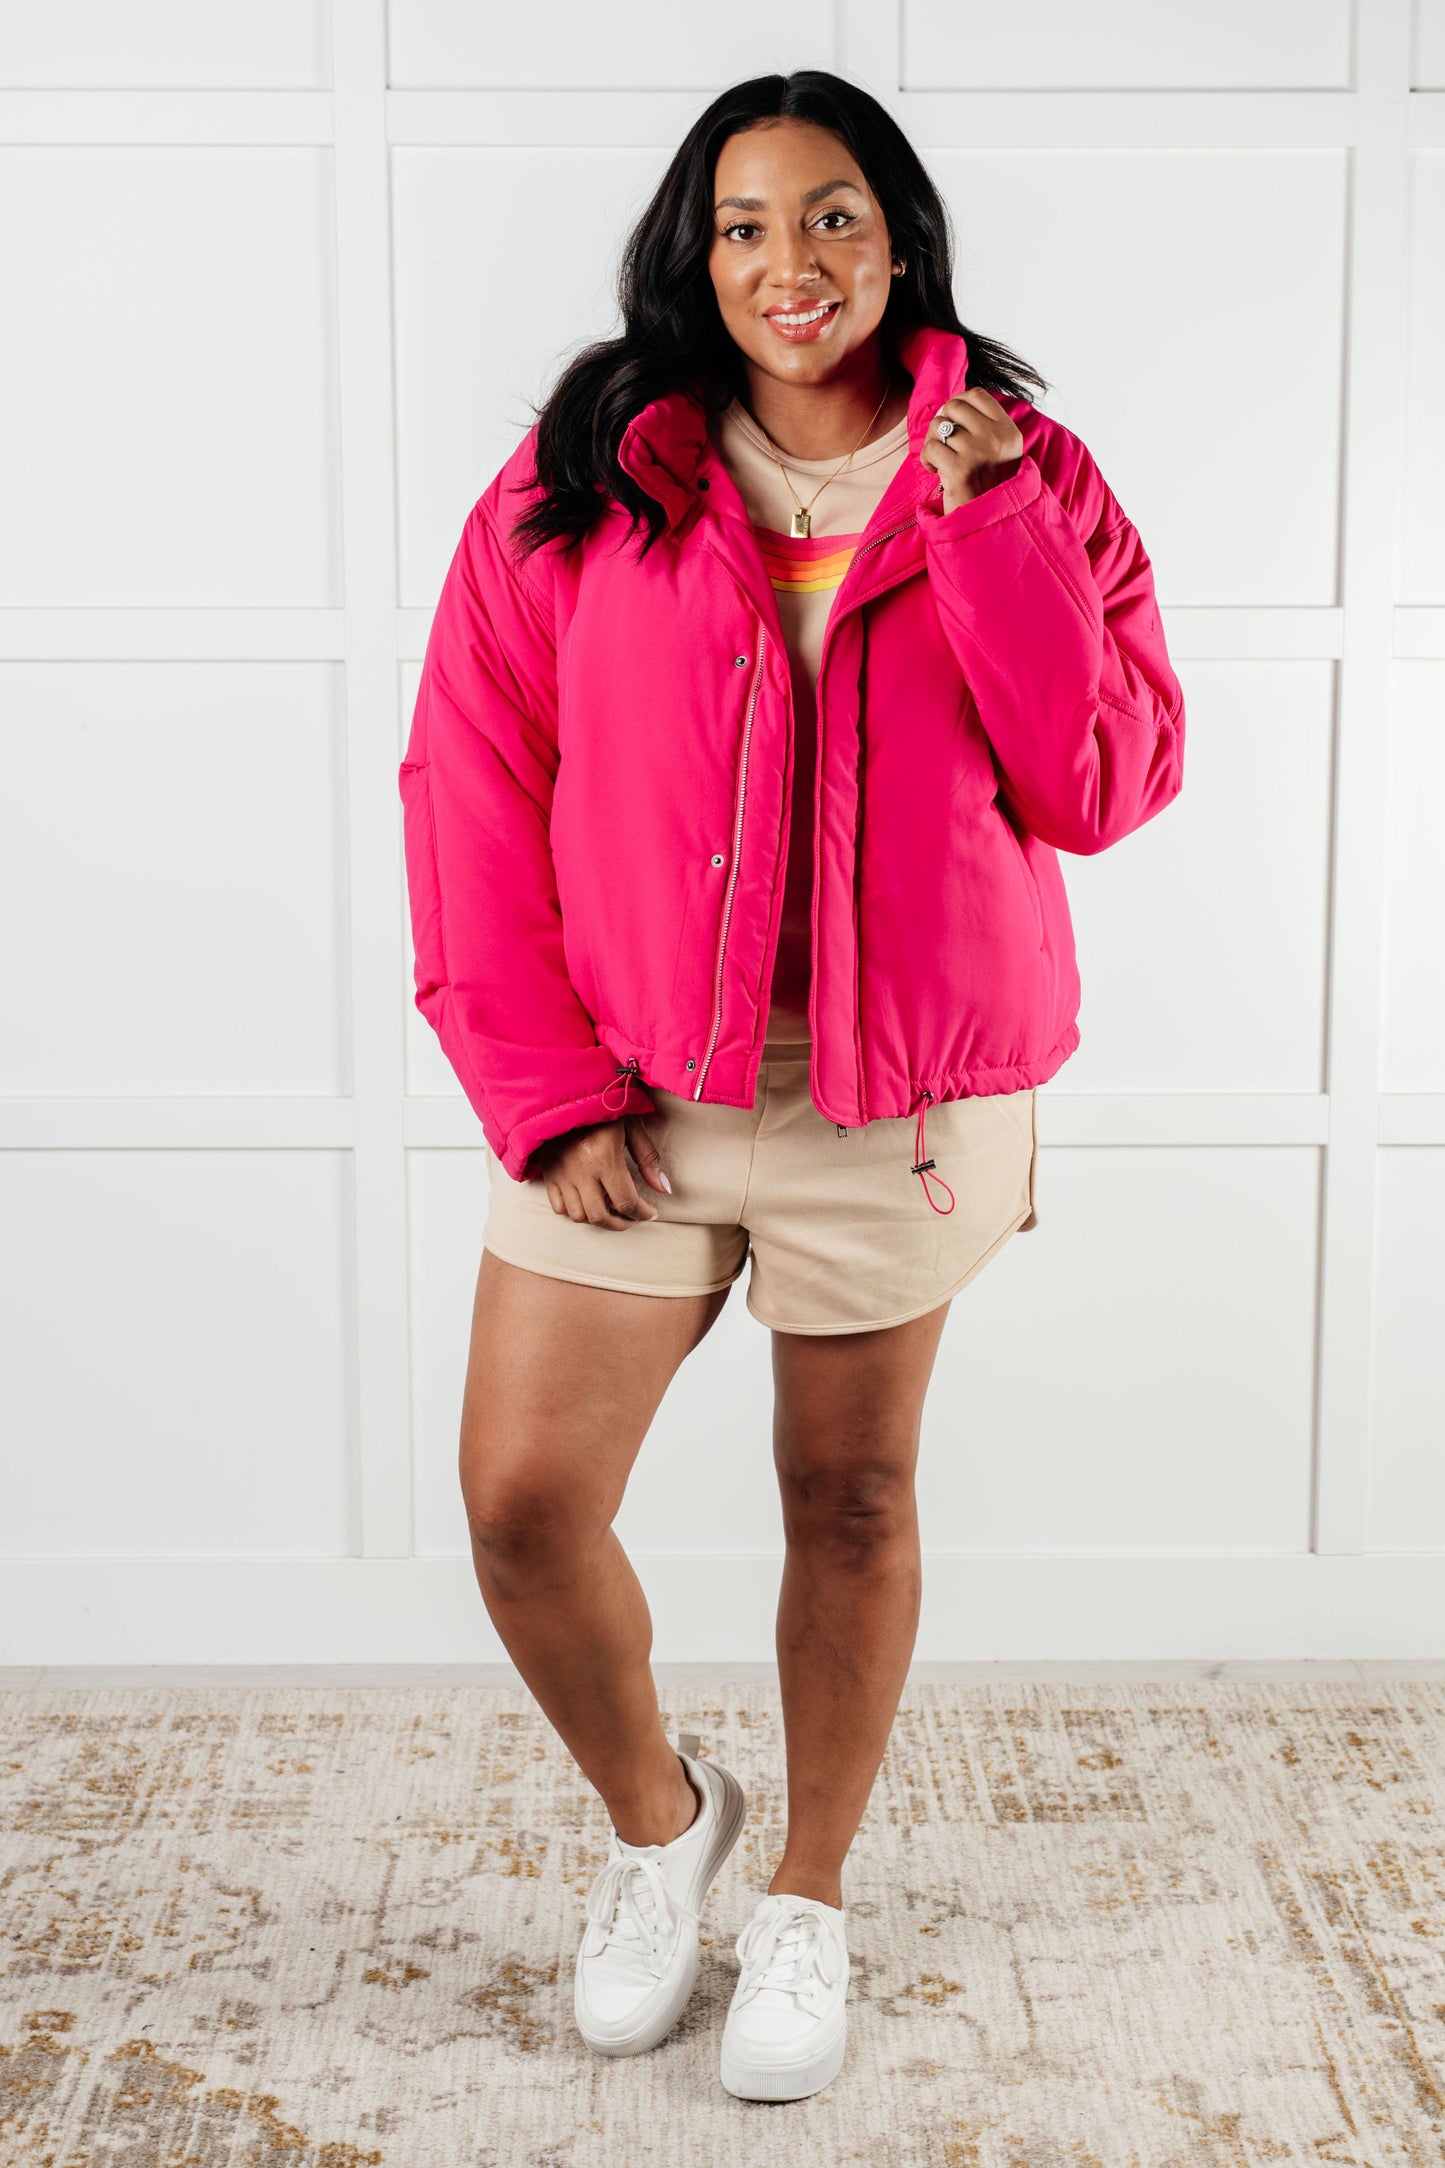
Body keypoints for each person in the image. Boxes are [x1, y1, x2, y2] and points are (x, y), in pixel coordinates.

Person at [399, 70, 1185, 2104]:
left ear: (899, 237)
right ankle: (669, 1833)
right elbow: (475, 789)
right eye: (744, 225)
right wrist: (546, 1090)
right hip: (633, 1094)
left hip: (899, 1097)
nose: (789, 265)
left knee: (849, 1496)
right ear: (695, 252)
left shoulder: (1025, 466)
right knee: (521, 1507)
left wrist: (998, 515)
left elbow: (1098, 784)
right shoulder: (584, 476)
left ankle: (810, 1898)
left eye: (830, 218)